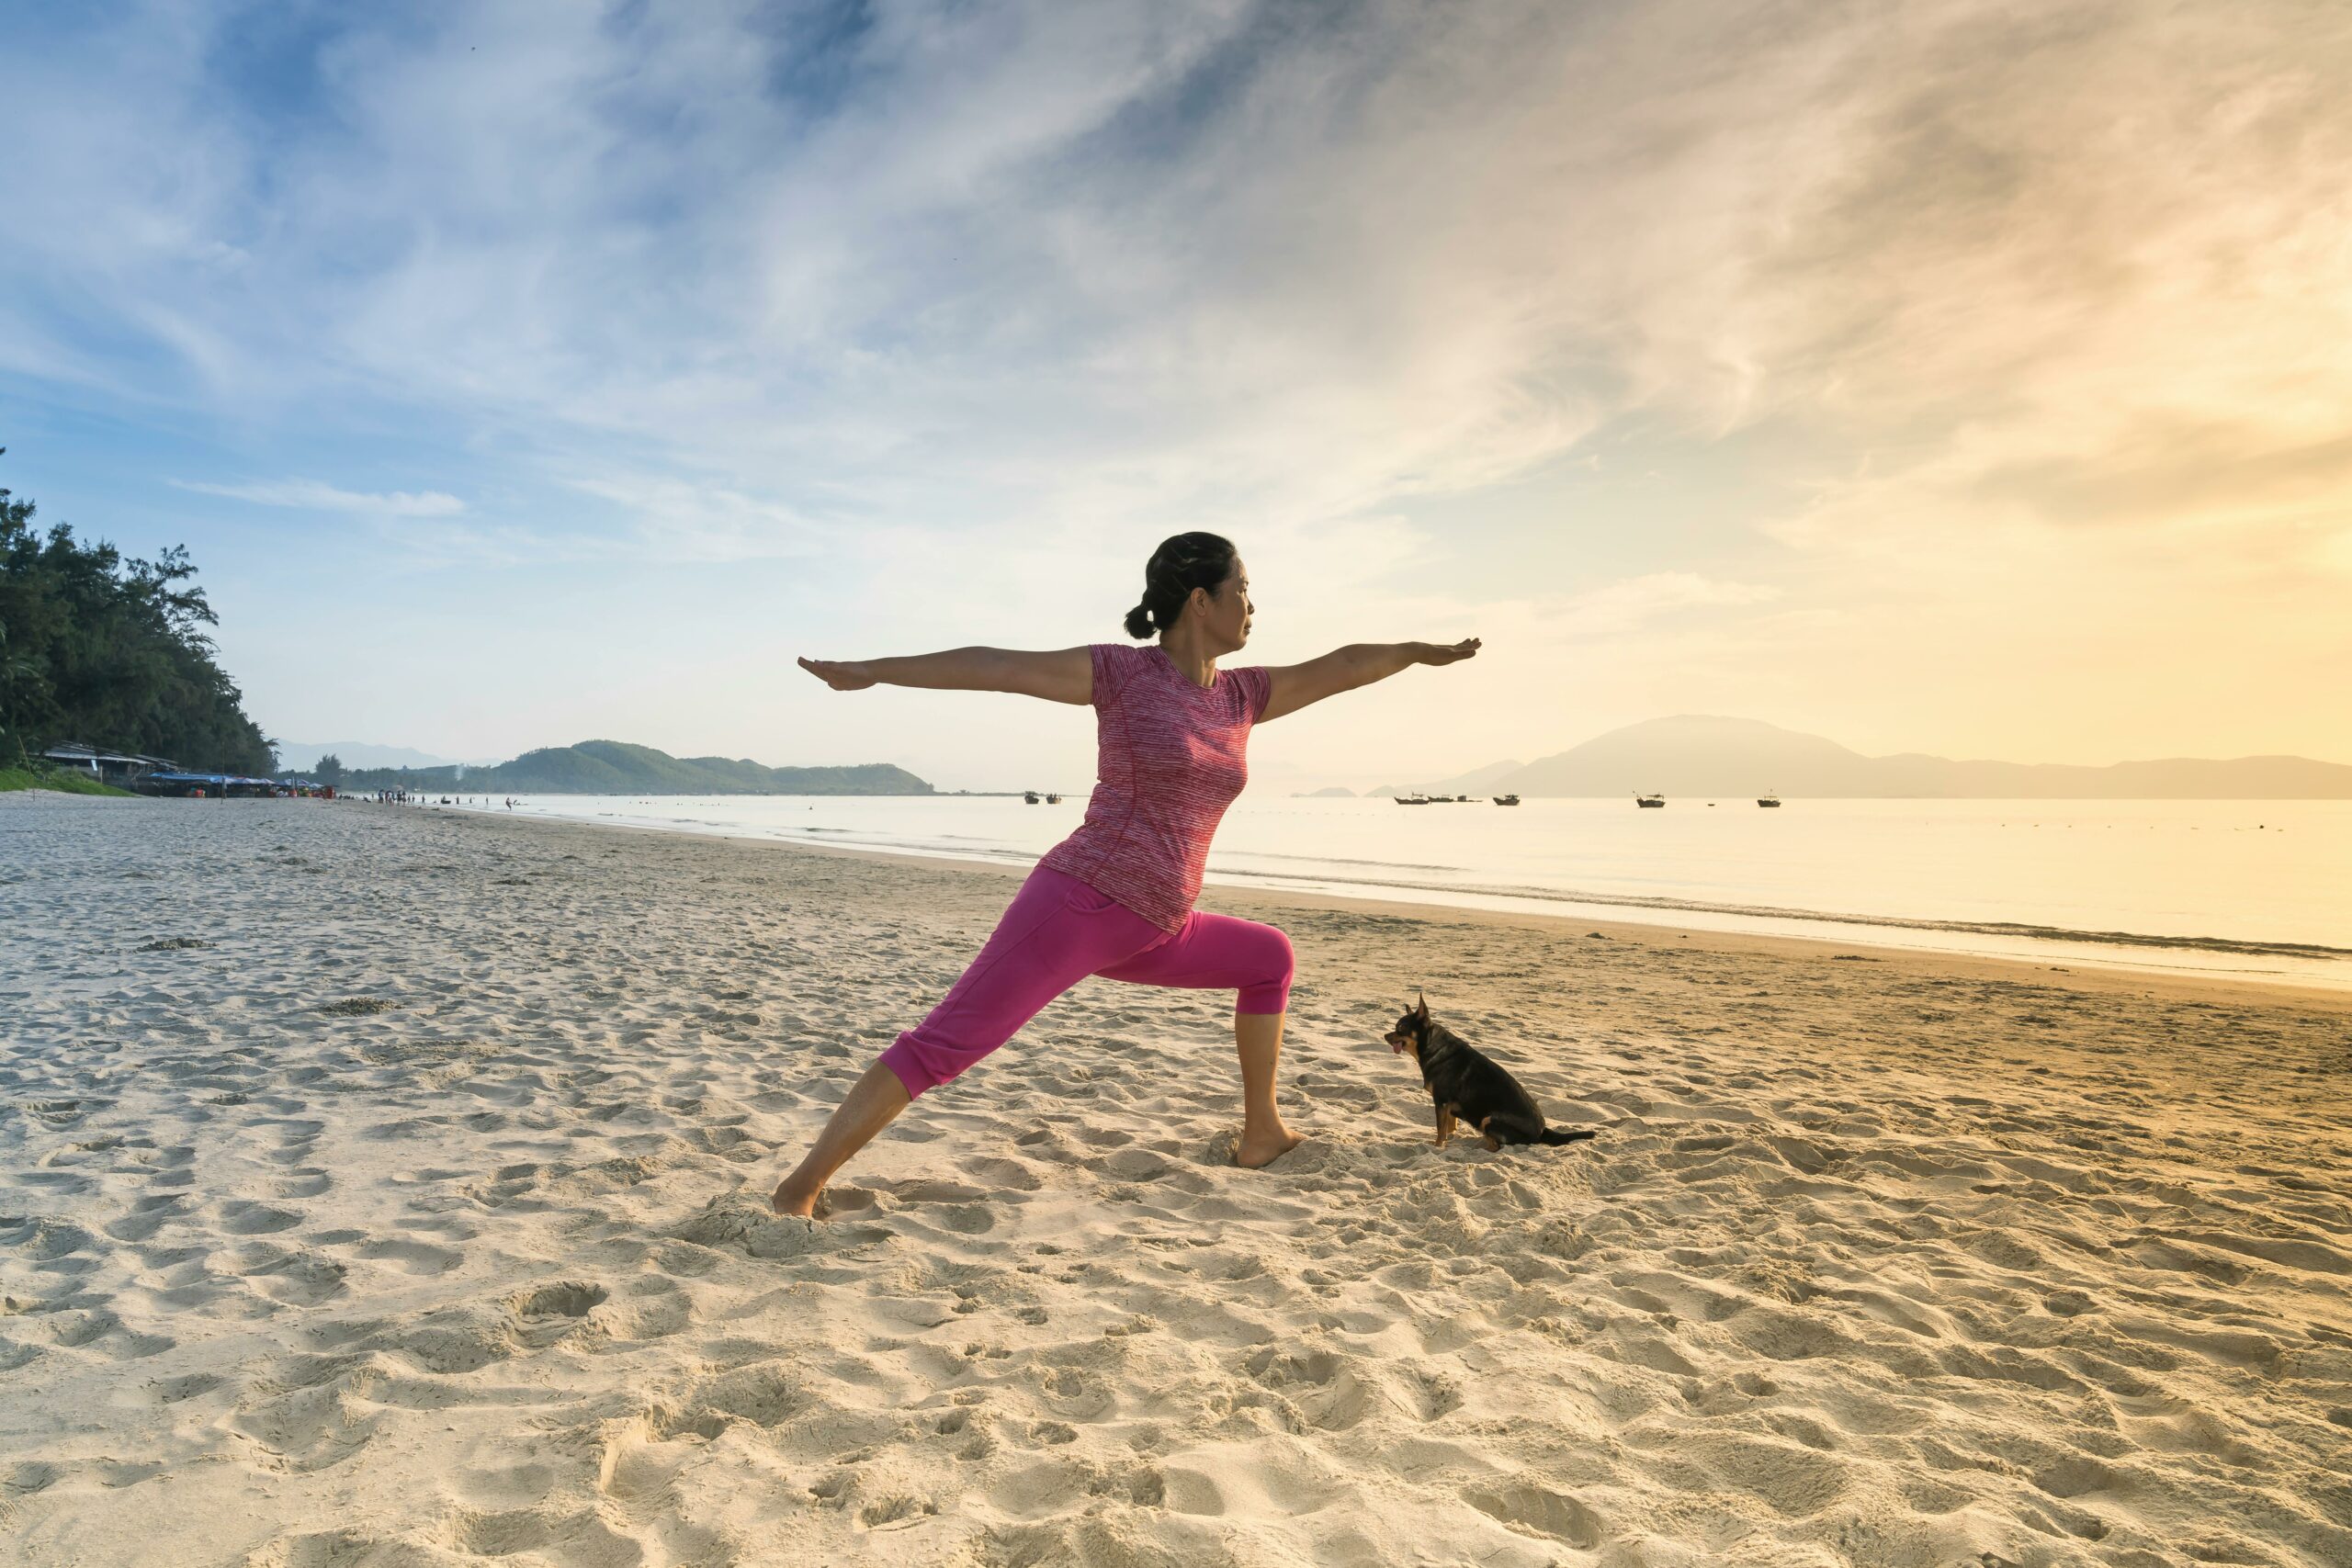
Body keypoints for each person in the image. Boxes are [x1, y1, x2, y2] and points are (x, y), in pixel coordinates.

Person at [768, 532, 1479, 1219]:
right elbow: (995, 665)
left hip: (1158, 927)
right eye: (1243, 589)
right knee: (944, 1046)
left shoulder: (1243, 696)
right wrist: (875, 669)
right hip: (1081, 903)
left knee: (1269, 958)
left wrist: (1416, 652)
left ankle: (1262, 1133)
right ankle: (799, 1187)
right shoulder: (1121, 673)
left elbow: (1346, 664)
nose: (1252, 606)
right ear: (1201, 600)